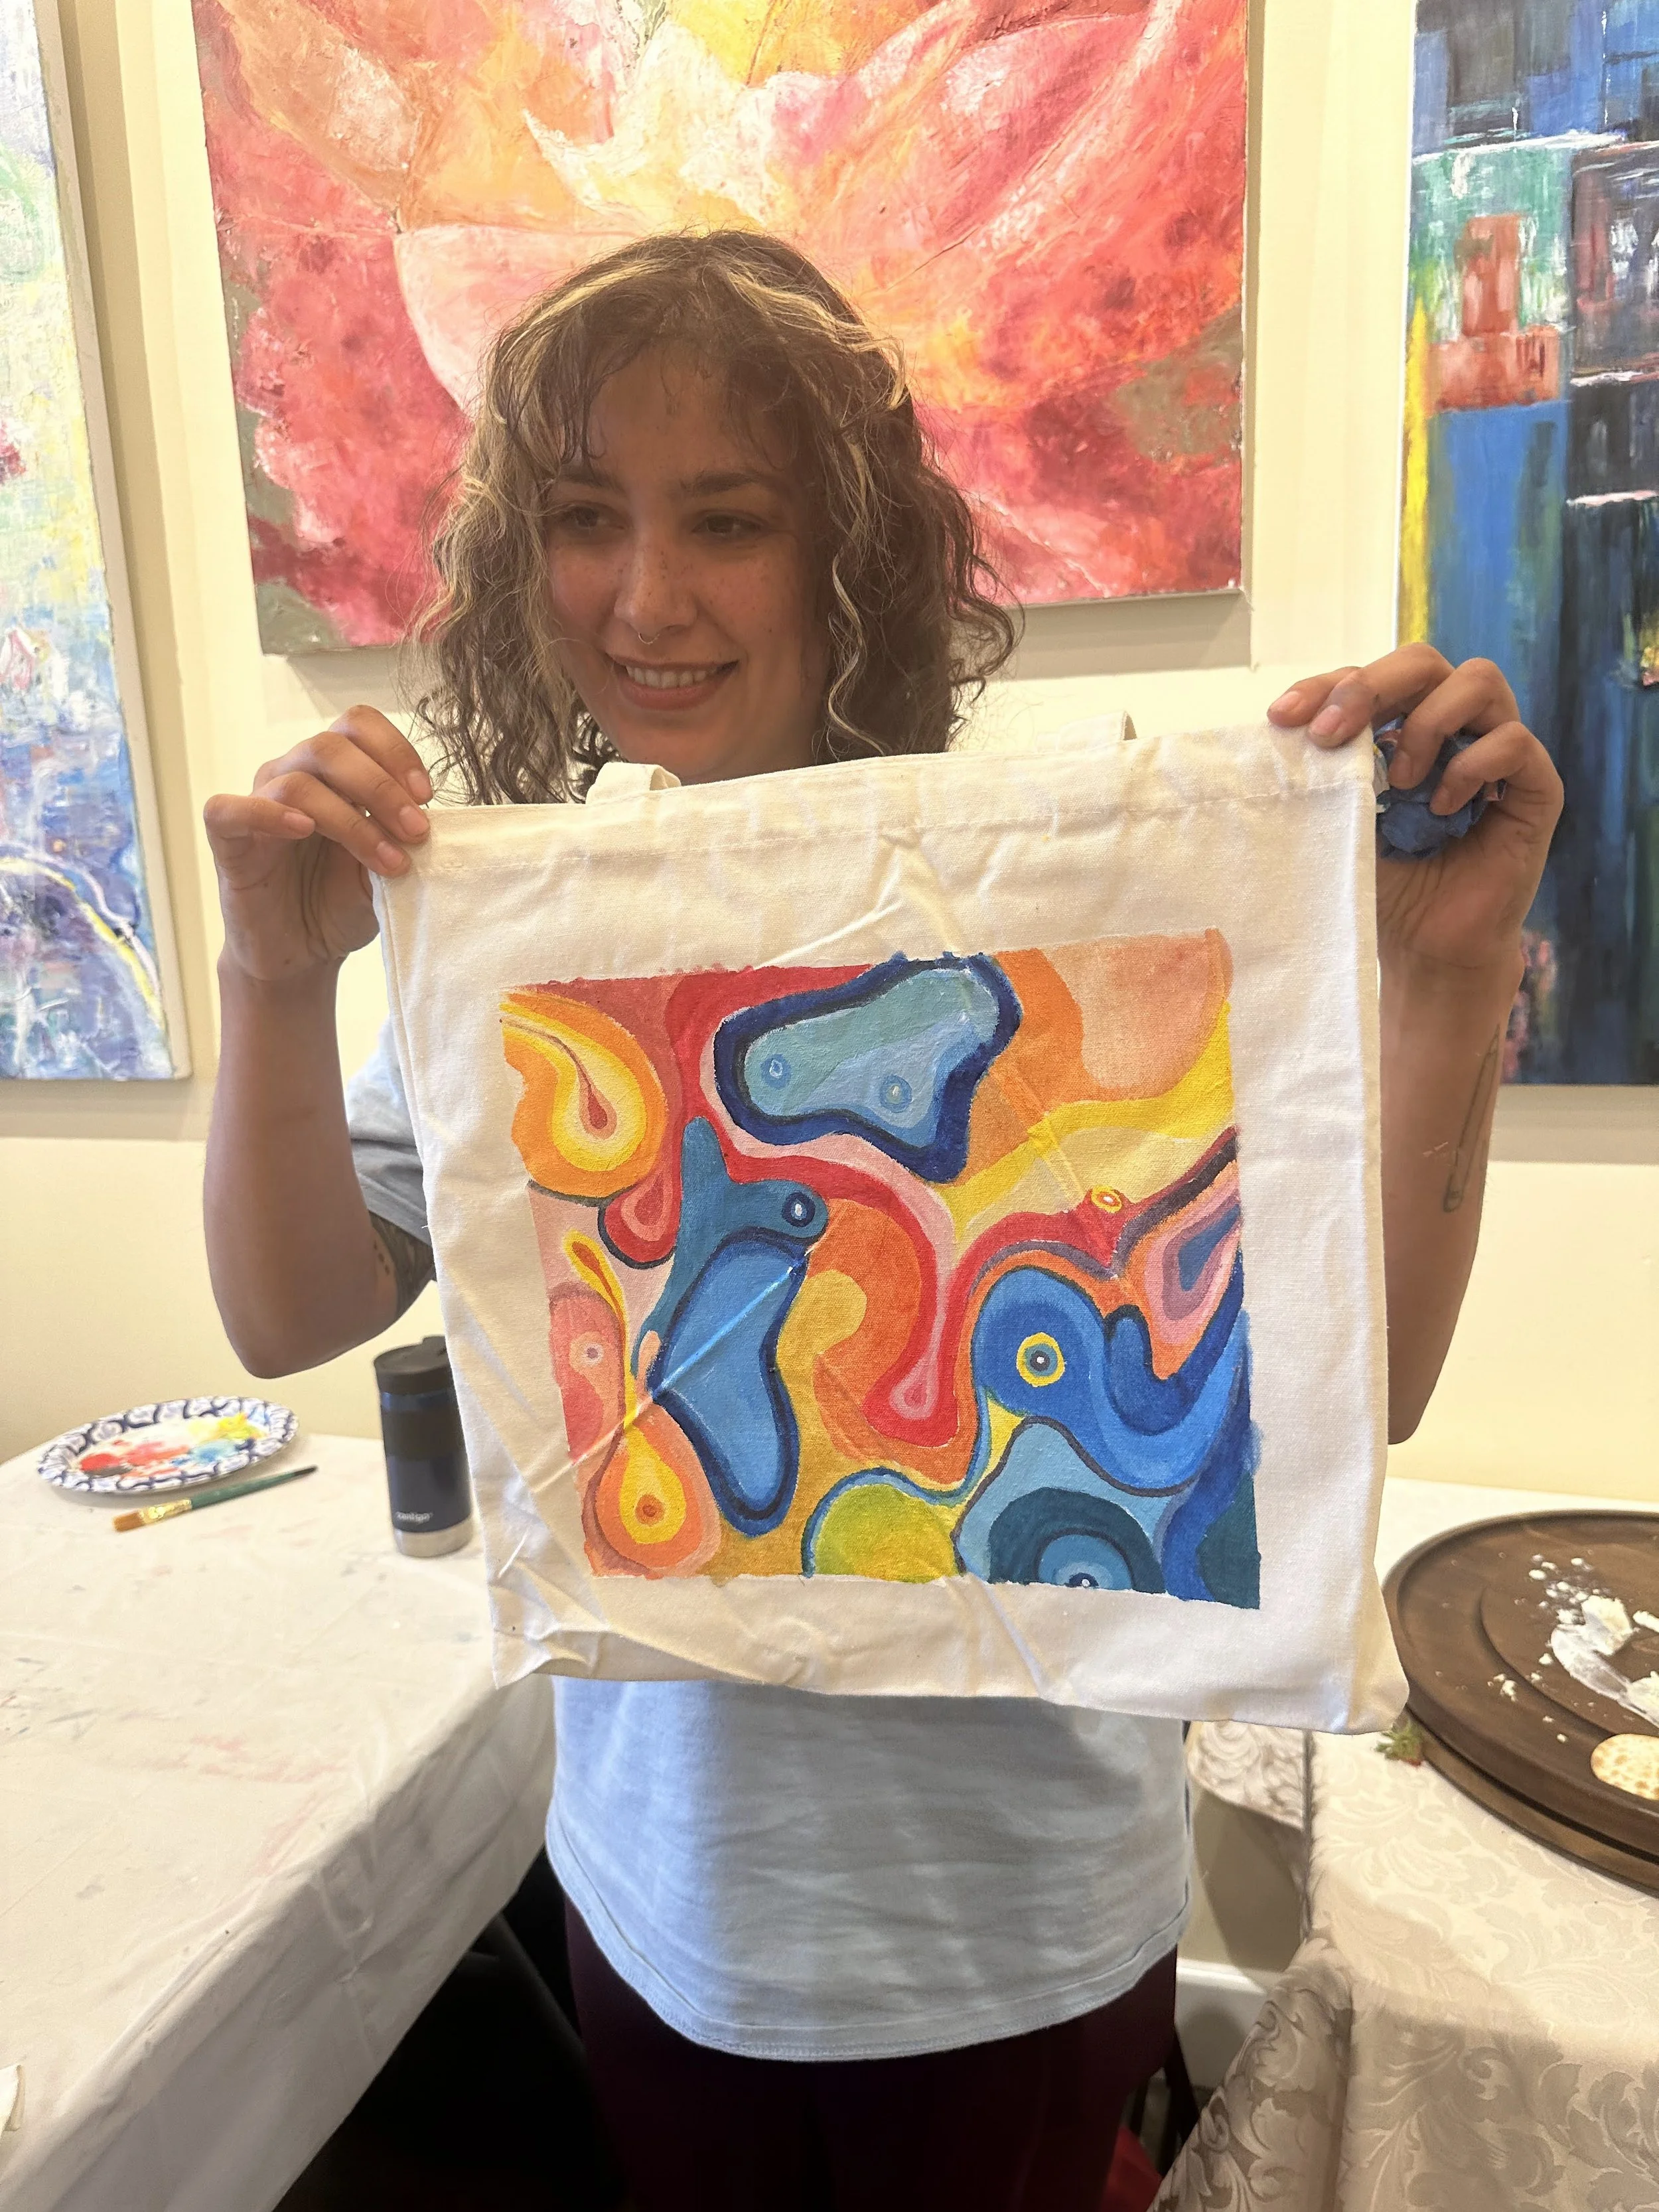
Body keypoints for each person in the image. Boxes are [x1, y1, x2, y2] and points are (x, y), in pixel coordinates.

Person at [202, 232, 1562, 2212]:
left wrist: (1446, 971)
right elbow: (283, 1314)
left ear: (854, 548)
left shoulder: (1076, 888)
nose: (646, 595)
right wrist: (268, 977)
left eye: (727, 520)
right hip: (661, 1906)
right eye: (583, 518)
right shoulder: (527, 927)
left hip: (1005, 1937)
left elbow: (1358, 1400)